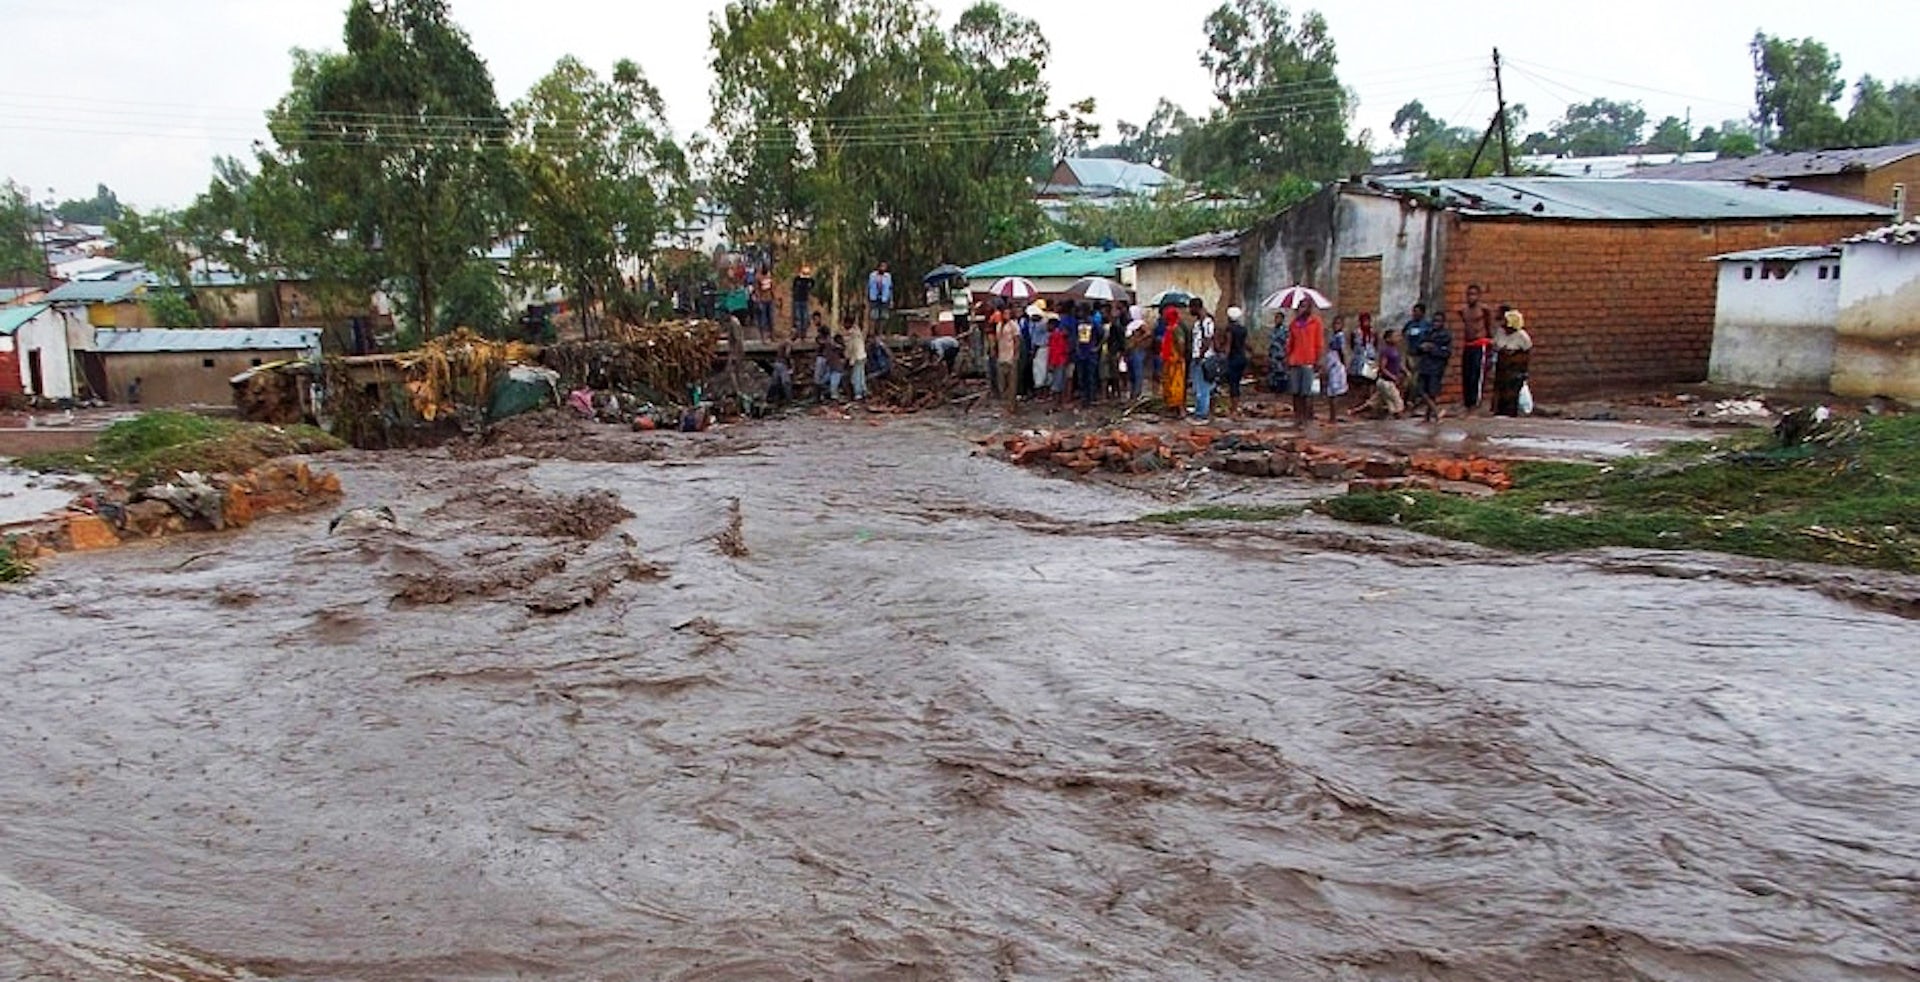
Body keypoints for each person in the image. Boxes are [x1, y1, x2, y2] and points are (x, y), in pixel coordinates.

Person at [1284, 303, 1325, 425]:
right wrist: (1287, 357)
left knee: (1306, 392)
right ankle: (1298, 415)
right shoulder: (1294, 324)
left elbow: (1319, 343)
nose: (1301, 309)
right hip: (1295, 360)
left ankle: (1307, 416)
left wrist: (1318, 360)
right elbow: (1290, 343)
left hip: (1309, 360)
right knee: (1295, 391)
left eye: (1304, 307)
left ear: (1309, 309)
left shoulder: (1316, 323)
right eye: (1300, 307)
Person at [1411, 308, 1453, 422]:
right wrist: (1421, 347)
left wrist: (1432, 349)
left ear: (1443, 323)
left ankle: (1431, 414)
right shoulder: (1427, 333)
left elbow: (1446, 353)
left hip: (1436, 367)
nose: (1436, 323)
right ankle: (1434, 413)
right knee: (1420, 389)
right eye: (1434, 321)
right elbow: (1417, 348)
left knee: (1432, 392)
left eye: (1438, 321)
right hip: (1425, 366)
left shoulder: (1446, 336)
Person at [1460, 284, 1495, 414]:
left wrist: (1490, 342)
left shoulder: (1484, 310)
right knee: (1467, 374)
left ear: (1479, 296)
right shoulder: (1463, 311)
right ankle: (1467, 402)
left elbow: (1488, 326)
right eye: (1468, 294)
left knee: (1477, 375)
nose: (1471, 297)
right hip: (1468, 345)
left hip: (1480, 344)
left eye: (1473, 294)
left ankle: (1475, 403)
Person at [1492, 308, 1534, 417]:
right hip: (1502, 366)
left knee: (1512, 393)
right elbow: (1496, 346)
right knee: (1500, 389)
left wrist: (1514, 356)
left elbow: (1526, 354)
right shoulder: (1500, 332)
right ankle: (1499, 411)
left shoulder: (1522, 336)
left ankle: (1511, 413)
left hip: (1514, 369)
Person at [1361, 330, 1407, 418]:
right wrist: (1393, 377)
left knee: (1378, 401)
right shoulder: (1386, 351)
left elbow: (1398, 364)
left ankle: (1356, 412)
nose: (1398, 339)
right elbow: (1382, 367)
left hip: (1388, 382)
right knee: (1398, 403)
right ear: (1388, 339)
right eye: (1395, 336)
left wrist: (1405, 371)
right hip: (1386, 382)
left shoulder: (1395, 350)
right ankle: (1399, 422)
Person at [1187, 298, 1219, 422]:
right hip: (1198, 357)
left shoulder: (1207, 322)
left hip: (1204, 359)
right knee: (1200, 387)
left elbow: (1207, 340)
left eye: (1191, 308)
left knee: (1203, 388)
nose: (1190, 310)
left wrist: (1200, 355)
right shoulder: (1197, 323)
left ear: (1196, 307)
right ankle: (1201, 411)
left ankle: (1201, 415)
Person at [1075, 302, 1104, 407]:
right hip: (1080, 353)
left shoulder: (1094, 323)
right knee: (1081, 377)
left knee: (1091, 376)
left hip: (1090, 354)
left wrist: (1097, 347)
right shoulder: (1078, 323)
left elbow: (1102, 335)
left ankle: (1091, 397)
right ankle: (1084, 397)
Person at [1160, 305, 1187, 417]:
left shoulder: (1176, 329)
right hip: (1168, 361)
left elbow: (1181, 343)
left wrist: (1180, 356)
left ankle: (1181, 410)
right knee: (1168, 384)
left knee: (1177, 385)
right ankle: (1172, 409)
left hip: (1175, 361)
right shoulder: (1169, 328)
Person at [1223, 306, 1250, 417]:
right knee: (1237, 383)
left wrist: (1224, 358)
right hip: (1242, 358)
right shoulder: (1243, 329)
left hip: (1233, 359)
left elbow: (1228, 345)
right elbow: (1245, 344)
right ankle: (1235, 406)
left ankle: (1233, 409)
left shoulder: (1229, 329)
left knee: (1232, 384)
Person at [996, 304, 1022, 414]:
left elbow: (1017, 341)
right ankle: (1006, 404)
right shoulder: (999, 325)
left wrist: (1015, 355)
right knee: (1002, 384)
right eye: (1004, 313)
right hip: (1001, 357)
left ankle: (1012, 407)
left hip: (1010, 357)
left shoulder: (1013, 325)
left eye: (1008, 313)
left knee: (1012, 385)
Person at [1123, 304, 1148, 402]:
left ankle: (1137, 393)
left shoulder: (1140, 324)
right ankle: (1133, 393)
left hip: (1137, 350)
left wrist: (1138, 340)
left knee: (1138, 373)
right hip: (1130, 351)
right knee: (1131, 373)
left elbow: (1148, 333)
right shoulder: (1130, 324)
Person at [1027, 302, 1052, 397]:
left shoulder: (1040, 325)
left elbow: (1037, 340)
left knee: (1039, 371)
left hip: (1041, 349)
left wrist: (1033, 352)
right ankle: (1044, 392)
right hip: (1044, 348)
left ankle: (1041, 393)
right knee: (1044, 371)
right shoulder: (1041, 322)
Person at [824, 315, 851, 401]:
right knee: (823, 382)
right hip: (832, 368)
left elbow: (841, 350)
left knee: (833, 387)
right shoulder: (831, 346)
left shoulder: (836, 347)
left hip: (836, 369)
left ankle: (835, 399)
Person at [1046, 315, 1071, 408]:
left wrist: (1052, 363)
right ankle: (1059, 402)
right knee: (1059, 381)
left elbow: (1057, 350)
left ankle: (1057, 402)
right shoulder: (1058, 335)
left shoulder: (1056, 335)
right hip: (1059, 360)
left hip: (1058, 361)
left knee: (1057, 382)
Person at [1266, 310, 1291, 392]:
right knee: (1272, 372)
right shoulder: (1273, 330)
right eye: (1276, 318)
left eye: (1279, 318)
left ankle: (1282, 388)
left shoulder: (1285, 331)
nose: (1277, 320)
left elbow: (1287, 342)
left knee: (1281, 372)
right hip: (1273, 354)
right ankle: (1273, 387)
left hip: (1281, 354)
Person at [847, 317, 869, 401]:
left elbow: (852, 349)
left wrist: (850, 359)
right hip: (862, 356)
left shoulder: (853, 335)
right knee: (861, 375)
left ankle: (858, 394)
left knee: (856, 377)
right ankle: (864, 391)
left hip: (857, 357)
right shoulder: (858, 333)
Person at [769, 340, 795, 405]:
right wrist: (790, 365)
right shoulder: (788, 343)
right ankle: (789, 400)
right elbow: (787, 354)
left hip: (777, 363)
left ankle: (772, 398)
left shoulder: (781, 343)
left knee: (775, 382)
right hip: (783, 364)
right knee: (786, 382)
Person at [791, 265, 815, 337]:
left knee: (805, 318)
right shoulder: (797, 279)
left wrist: (808, 277)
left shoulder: (808, 280)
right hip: (797, 301)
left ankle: (803, 333)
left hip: (805, 300)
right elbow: (794, 286)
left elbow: (812, 282)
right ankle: (798, 333)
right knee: (798, 318)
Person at [867, 261, 893, 328]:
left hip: (884, 298)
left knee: (884, 316)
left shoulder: (888, 276)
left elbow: (890, 288)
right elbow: (869, 286)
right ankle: (872, 332)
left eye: (884, 267)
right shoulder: (872, 275)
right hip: (874, 297)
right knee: (873, 315)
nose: (883, 268)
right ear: (878, 267)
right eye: (881, 266)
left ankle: (881, 332)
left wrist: (891, 300)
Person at [811, 313, 831, 398]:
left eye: (816, 319)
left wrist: (821, 342)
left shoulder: (823, 329)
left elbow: (827, 340)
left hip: (823, 357)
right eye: (814, 319)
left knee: (818, 377)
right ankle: (820, 396)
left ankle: (819, 396)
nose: (815, 321)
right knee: (819, 377)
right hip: (821, 356)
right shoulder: (819, 330)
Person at [751, 272, 775, 338]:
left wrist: (774, 297)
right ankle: (763, 336)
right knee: (763, 319)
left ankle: (771, 334)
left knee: (771, 318)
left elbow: (772, 287)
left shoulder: (769, 275)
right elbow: (757, 289)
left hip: (769, 299)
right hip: (762, 300)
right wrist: (758, 300)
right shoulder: (758, 277)